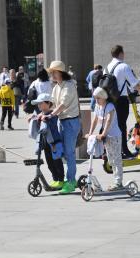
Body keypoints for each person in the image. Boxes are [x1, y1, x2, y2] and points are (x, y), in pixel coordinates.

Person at [42, 60, 81, 194]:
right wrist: (41, 114)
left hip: (71, 122)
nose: (51, 74)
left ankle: (71, 181)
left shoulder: (69, 86)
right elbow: (52, 103)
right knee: (61, 151)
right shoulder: (56, 87)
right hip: (61, 121)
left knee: (69, 153)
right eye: (51, 72)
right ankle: (63, 179)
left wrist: (51, 114)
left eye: (53, 72)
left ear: (60, 73)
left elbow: (63, 104)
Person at [105, 45, 140, 158]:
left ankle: (112, 150)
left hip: (109, 100)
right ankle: (124, 151)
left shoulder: (107, 67)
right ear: (121, 53)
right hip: (121, 100)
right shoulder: (123, 66)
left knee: (112, 125)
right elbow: (134, 83)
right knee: (122, 126)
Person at [86, 87, 123, 190]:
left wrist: (103, 134)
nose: (96, 100)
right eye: (95, 98)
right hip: (106, 136)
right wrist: (90, 134)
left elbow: (109, 121)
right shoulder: (98, 106)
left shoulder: (110, 106)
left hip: (114, 136)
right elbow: (95, 120)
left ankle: (118, 182)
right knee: (110, 160)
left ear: (103, 97)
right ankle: (117, 181)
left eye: (98, 98)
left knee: (116, 160)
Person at [31, 93, 65, 189]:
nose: (39, 105)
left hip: (54, 143)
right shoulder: (41, 114)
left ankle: (61, 181)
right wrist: (32, 118)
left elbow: (49, 120)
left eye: (41, 103)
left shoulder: (52, 114)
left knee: (57, 162)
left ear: (48, 103)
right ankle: (55, 179)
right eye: (38, 104)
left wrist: (44, 118)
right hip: (46, 144)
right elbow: (38, 117)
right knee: (49, 163)